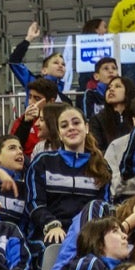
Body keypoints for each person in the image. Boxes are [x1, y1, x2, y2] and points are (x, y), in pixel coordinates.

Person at [25, 105, 112, 245]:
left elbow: (104, 205)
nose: (71, 128)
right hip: (51, 233)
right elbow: (34, 203)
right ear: (59, 134)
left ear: (87, 128)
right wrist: (51, 224)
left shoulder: (101, 166)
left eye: (76, 123)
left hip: (88, 234)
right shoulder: (43, 161)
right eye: (64, 126)